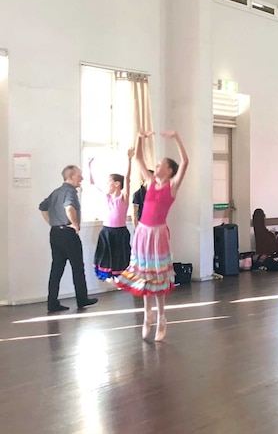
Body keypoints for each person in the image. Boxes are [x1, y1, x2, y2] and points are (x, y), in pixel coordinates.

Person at [116, 131, 189, 341]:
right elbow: (138, 158)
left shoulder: (172, 186)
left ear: (168, 170)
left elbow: (185, 161)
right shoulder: (149, 182)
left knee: (157, 276)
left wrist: (176, 137)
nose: (155, 168)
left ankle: (162, 317)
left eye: (159, 165)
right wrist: (139, 137)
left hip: (157, 235)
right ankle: (147, 314)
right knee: (144, 274)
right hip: (143, 232)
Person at [39, 165, 99, 312]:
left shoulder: (56, 192)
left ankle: (52, 302)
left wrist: (52, 222)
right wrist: (75, 224)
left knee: (56, 269)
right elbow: (69, 208)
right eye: (79, 175)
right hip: (68, 234)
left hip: (55, 233)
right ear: (71, 177)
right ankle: (82, 299)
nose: (82, 178)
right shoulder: (70, 192)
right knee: (77, 267)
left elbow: (42, 207)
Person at [88, 150, 133, 281]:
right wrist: (89, 166)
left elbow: (128, 179)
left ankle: (121, 277)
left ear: (117, 184)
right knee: (106, 255)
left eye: (109, 182)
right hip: (107, 231)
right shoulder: (107, 197)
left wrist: (129, 160)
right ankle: (108, 275)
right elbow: (92, 184)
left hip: (120, 232)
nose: (107, 184)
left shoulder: (123, 197)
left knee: (120, 256)